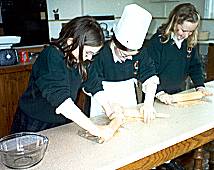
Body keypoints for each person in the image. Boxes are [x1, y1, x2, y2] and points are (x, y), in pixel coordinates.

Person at [11, 16, 116, 141]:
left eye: (93, 54)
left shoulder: (83, 60)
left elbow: (94, 85)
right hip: (34, 122)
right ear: (71, 42)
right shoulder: (52, 56)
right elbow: (63, 103)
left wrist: (111, 112)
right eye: (88, 52)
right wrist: (96, 129)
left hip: (60, 120)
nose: (89, 58)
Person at [84, 4, 159, 123]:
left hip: (127, 98)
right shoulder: (99, 53)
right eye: (124, 55)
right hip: (102, 101)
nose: (128, 60)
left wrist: (148, 103)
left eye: (132, 56)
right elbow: (91, 83)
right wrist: (109, 107)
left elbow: (149, 75)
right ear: (115, 44)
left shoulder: (140, 52)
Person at [147, 3, 212, 105]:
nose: (186, 35)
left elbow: (194, 66)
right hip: (155, 96)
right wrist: (159, 93)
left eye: (191, 31)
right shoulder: (158, 41)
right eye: (183, 30)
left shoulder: (189, 43)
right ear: (174, 22)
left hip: (177, 94)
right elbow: (149, 71)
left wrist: (200, 86)